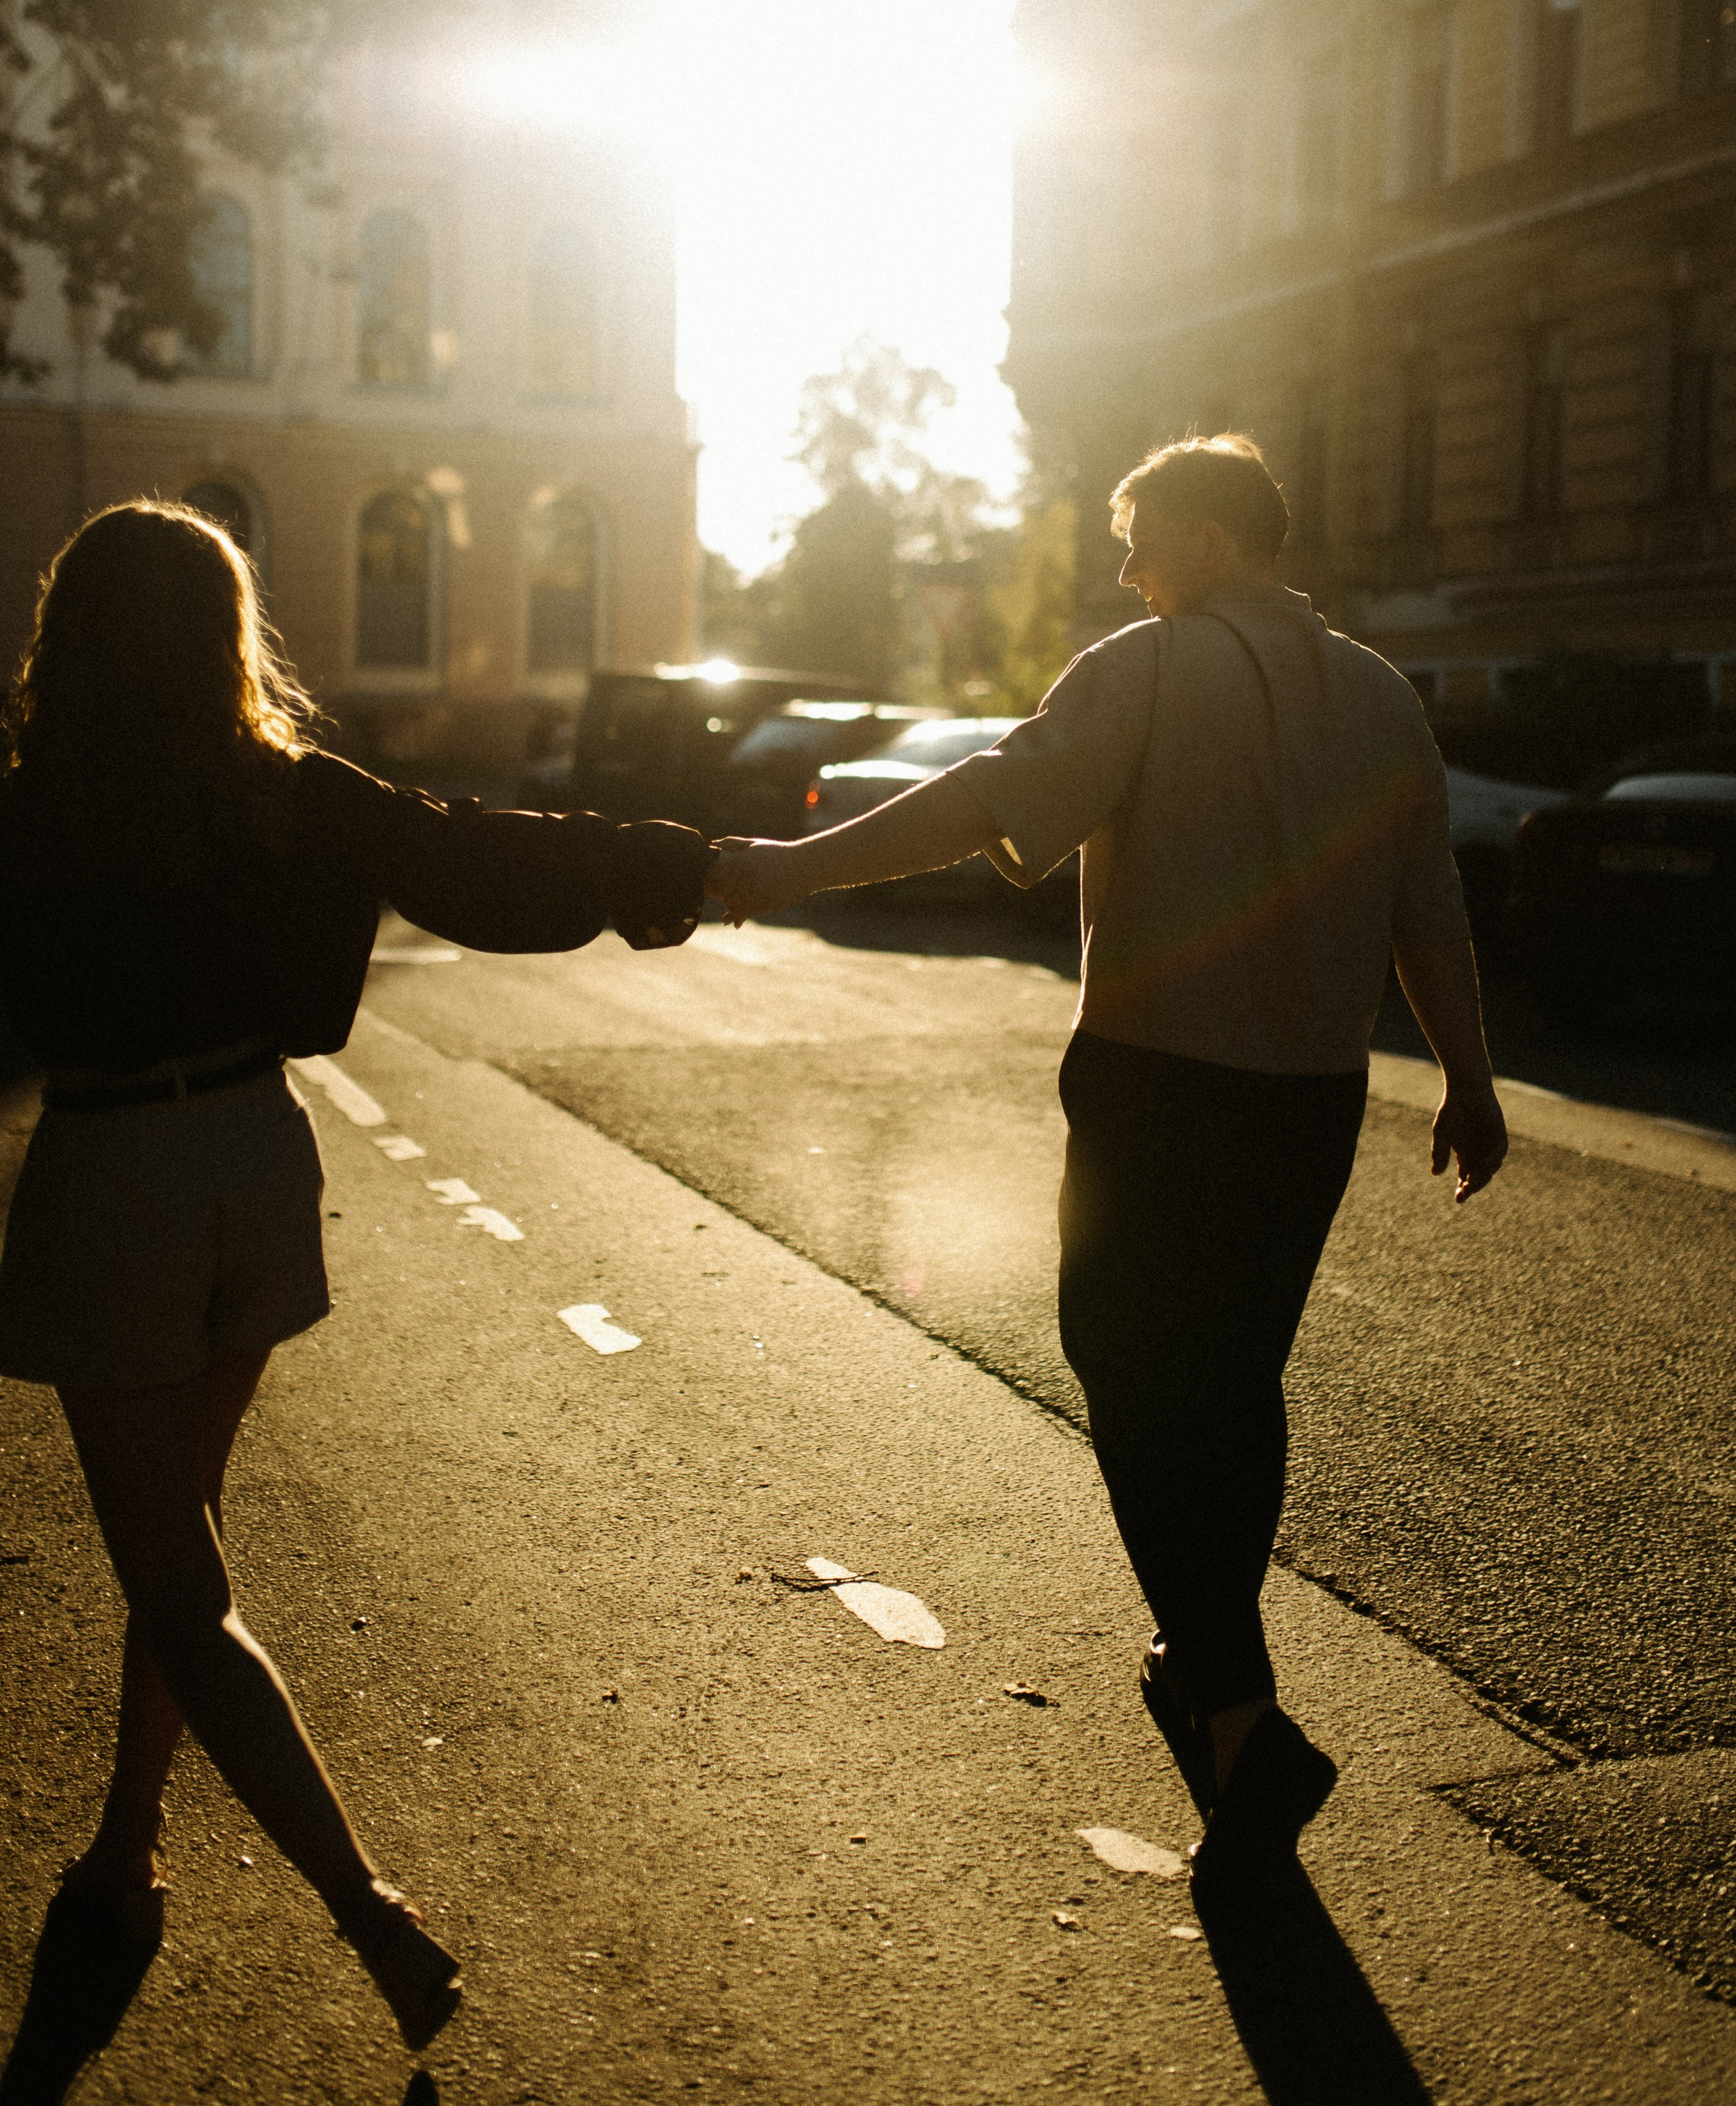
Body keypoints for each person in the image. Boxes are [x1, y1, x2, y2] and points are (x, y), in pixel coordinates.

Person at [710, 434, 1507, 1885]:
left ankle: (1235, 1703)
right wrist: (1466, 1078)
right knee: (1234, 1379)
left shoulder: (1147, 667)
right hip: (1314, 1096)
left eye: (1139, 542)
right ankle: (1214, 1678)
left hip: (1155, 1085)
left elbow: (980, 800)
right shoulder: (1385, 696)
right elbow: (1426, 907)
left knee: (1128, 1374)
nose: (1126, 572)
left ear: (1206, 539)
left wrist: (781, 870)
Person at [0, 501, 709, 2046]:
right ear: (223, 635)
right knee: (177, 1552)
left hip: (113, 1177)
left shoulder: (30, 812)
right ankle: (126, 1850)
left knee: (177, 1579)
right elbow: (475, 865)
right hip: (258, 1160)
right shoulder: (285, 797)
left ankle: (366, 1908)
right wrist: (667, 867)